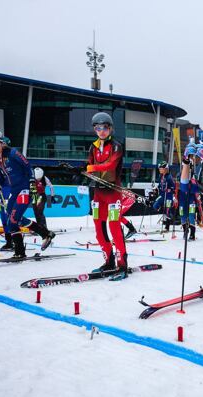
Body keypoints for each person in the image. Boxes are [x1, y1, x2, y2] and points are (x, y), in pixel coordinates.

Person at [0, 129, 55, 258]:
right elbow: (1, 178)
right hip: (14, 190)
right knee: (13, 219)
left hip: (25, 189)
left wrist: (32, 185)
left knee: (13, 220)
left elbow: (29, 168)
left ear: (2, 142)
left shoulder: (13, 153)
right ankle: (45, 234)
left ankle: (20, 252)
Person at [85, 112, 128, 278]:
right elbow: (89, 166)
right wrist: (80, 170)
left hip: (113, 193)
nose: (101, 131)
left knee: (114, 227)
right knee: (99, 228)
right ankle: (109, 261)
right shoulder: (93, 147)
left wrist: (91, 168)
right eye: (98, 128)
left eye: (104, 127)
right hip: (98, 193)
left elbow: (110, 165)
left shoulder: (116, 146)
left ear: (110, 128)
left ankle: (122, 265)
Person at [152, 162, 176, 232]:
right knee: (155, 206)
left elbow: (173, 187)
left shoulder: (169, 177)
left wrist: (169, 189)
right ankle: (163, 209)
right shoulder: (161, 176)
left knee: (168, 210)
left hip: (168, 196)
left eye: (161, 168)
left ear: (166, 169)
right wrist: (156, 189)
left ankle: (167, 226)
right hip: (162, 195)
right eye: (159, 168)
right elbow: (160, 185)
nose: (160, 170)